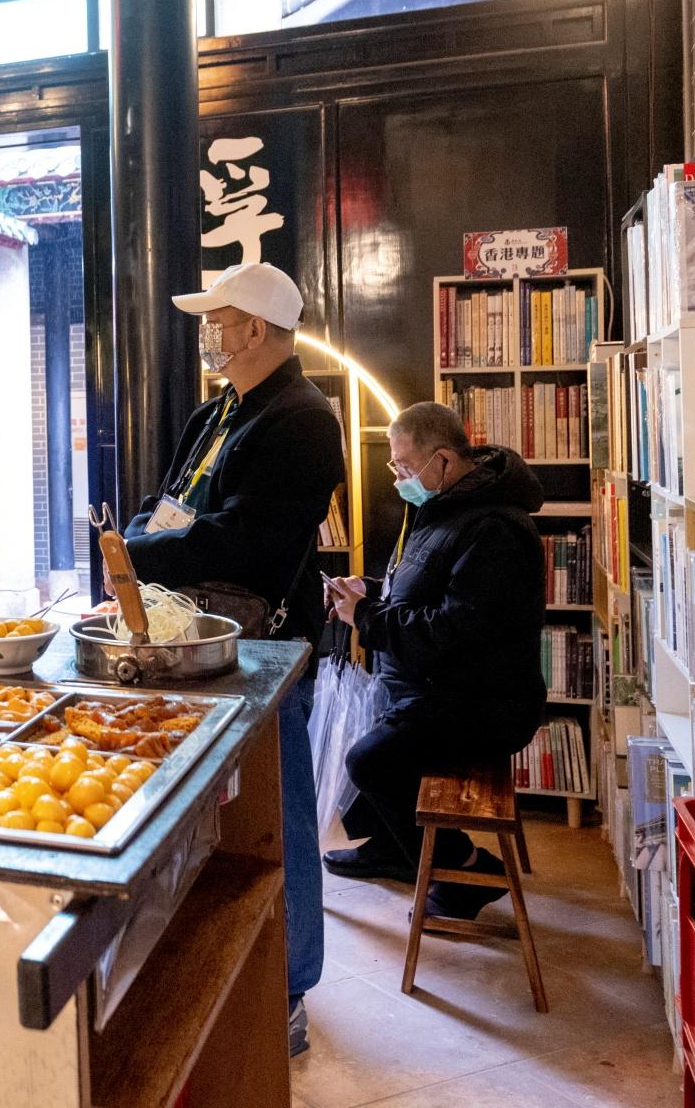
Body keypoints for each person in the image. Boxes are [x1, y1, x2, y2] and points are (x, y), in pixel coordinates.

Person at [122, 261, 343, 1057]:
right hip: (201, 636)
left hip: (264, 648)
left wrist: (144, 552)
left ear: (255, 329)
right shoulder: (220, 409)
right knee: (219, 817)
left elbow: (250, 539)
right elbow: (169, 498)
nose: (207, 332)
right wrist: (143, 540)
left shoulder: (304, 418)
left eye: (217, 319)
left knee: (277, 817)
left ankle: (290, 987)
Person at [321, 401, 547, 924]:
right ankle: (394, 847)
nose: (399, 478)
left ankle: (468, 868)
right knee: (368, 738)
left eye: (403, 466)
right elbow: (423, 593)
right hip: (437, 689)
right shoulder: (442, 509)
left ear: (443, 461)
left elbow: (453, 631)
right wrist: (371, 592)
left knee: (369, 761)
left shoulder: (497, 532)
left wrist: (369, 620)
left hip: (482, 703)